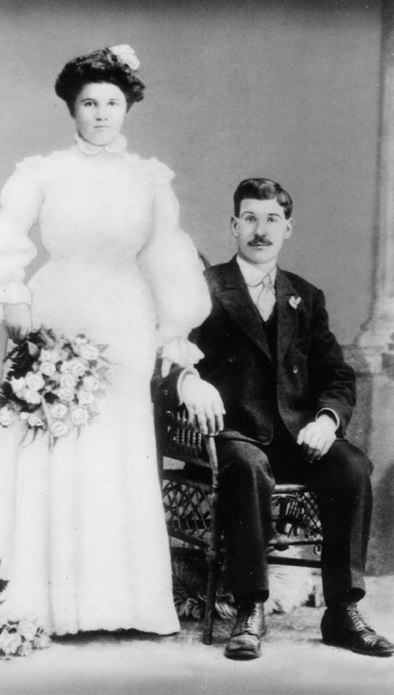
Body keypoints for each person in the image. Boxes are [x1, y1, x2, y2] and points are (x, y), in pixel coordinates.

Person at [0, 45, 211, 637]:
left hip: (124, 320)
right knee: (48, 441)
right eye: (89, 103)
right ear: (72, 108)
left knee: (114, 449)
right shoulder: (43, 172)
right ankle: (36, 598)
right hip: (57, 313)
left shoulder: (149, 180)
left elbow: (166, 259)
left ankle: (117, 605)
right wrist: (12, 293)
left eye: (112, 102)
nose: (101, 113)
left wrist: (173, 329)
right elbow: (4, 239)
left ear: (127, 107)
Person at [157, 178, 394, 659]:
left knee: (352, 467)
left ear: (288, 227)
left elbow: (337, 375)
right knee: (247, 466)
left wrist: (326, 420)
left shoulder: (305, 296)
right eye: (250, 219)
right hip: (230, 433)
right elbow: (167, 355)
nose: (260, 231)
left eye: (271, 220)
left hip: (295, 435)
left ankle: (342, 610)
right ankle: (250, 607)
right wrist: (188, 380)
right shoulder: (202, 289)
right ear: (233, 225)